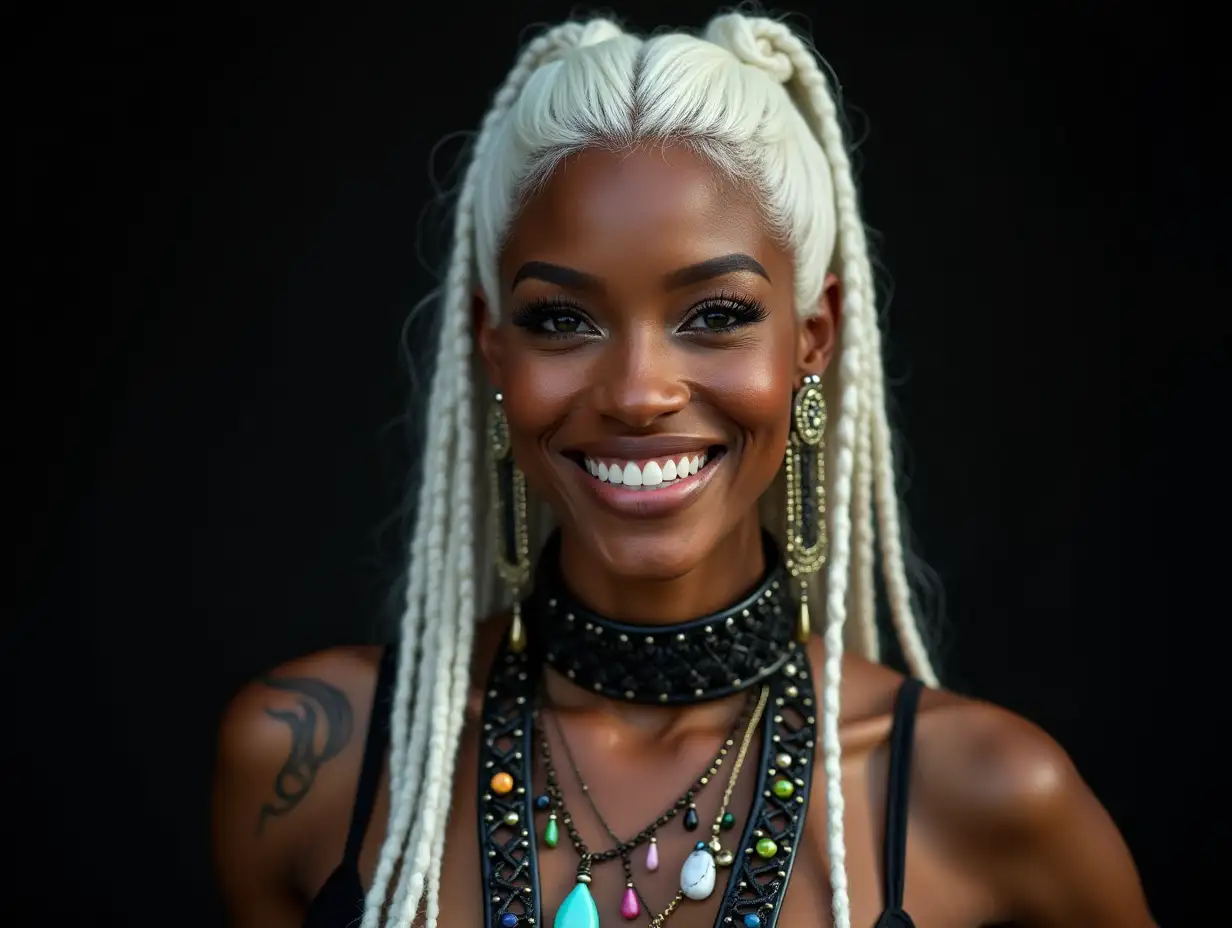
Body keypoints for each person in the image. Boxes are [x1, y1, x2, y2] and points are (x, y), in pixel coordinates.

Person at [212, 12, 1155, 928]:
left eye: (715, 315)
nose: (637, 391)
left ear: (812, 339)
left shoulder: (984, 794)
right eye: (560, 319)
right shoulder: (317, 763)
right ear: (491, 347)